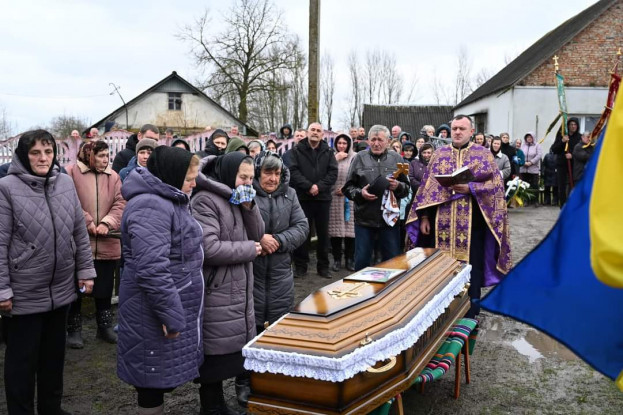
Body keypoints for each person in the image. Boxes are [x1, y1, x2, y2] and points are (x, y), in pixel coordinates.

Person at [0, 130, 96, 415]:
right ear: (23, 156)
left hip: (61, 289)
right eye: (35, 152)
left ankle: (51, 409)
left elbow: (78, 230)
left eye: (48, 151)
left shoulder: (64, 183)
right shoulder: (6, 188)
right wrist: (2, 289)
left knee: (53, 360)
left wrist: (86, 270)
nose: (43, 158)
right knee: (22, 364)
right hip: (25, 293)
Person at [117, 147, 204, 415]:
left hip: (160, 301)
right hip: (149, 307)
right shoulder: (150, 205)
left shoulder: (167, 199)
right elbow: (152, 268)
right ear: (172, 174)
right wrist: (171, 315)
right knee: (150, 376)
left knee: (156, 372)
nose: (193, 184)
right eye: (189, 178)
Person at [406, 115, 511, 318]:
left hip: (473, 224)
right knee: (439, 268)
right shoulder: (439, 154)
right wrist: (425, 217)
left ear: (471, 131)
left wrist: (471, 188)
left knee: (473, 267)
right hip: (440, 224)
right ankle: (441, 313)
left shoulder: (483, 155)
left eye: (462, 128)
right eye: (454, 128)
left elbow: (496, 186)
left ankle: (470, 312)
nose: (457, 132)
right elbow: (427, 188)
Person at [191, 152, 264, 413]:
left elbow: (258, 233)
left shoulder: (237, 198)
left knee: (231, 350)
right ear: (229, 173)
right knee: (213, 354)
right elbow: (207, 248)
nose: (247, 183)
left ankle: (219, 405)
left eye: (251, 179)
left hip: (237, 286)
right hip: (216, 289)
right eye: (243, 177)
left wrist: (250, 207)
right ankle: (211, 407)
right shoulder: (205, 200)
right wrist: (248, 249)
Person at [65, 140, 126, 348]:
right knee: (76, 289)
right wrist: (88, 222)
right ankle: (74, 329)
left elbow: (121, 202)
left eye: (107, 155)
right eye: (101, 156)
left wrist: (107, 223)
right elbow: (69, 202)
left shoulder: (113, 176)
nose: (105, 160)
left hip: (107, 241)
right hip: (79, 242)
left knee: (105, 287)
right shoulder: (71, 173)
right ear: (89, 156)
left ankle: (104, 327)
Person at [252, 151, 308, 332]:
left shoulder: (290, 194)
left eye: (277, 174)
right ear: (257, 172)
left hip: (281, 275)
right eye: (268, 173)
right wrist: (259, 239)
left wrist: (277, 241)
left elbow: (301, 227)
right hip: (252, 274)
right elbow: (235, 227)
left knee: (278, 327)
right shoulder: (246, 194)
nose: (273, 179)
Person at [343, 125, 410, 271]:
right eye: (373, 139)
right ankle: (362, 287)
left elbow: (407, 189)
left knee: (392, 262)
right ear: (368, 140)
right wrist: (360, 193)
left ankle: (391, 287)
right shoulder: (359, 158)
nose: (376, 143)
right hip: (364, 220)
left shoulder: (398, 158)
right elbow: (347, 188)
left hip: (390, 222)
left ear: (388, 141)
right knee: (362, 262)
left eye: (380, 140)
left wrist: (398, 186)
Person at [289, 122, 338, 278]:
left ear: (322, 134)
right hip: (303, 198)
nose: (315, 132)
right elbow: (293, 172)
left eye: (318, 130)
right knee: (303, 233)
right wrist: (309, 186)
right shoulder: (296, 150)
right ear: (307, 132)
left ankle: (323, 267)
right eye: (313, 130)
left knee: (323, 234)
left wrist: (319, 187)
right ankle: (300, 266)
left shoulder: (328, 151)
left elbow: (333, 173)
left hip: (323, 199)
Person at [329, 134, 356, 272]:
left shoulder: (355, 157)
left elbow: (358, 176)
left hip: (350, 198)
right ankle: (337, 260)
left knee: (351, 231)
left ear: (349, 144)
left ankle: (350, 259)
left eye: (344, 143)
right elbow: (325, 174)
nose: (341, 146)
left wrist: (346, 189)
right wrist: (335, 159)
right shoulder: (331, 157)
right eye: (339, 143)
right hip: (334, 198)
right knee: (336, 231)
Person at [408, 142, 434, 247]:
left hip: (431, 201)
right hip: (416, 199)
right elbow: (410, 177)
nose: (426, 155)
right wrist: (423, 187)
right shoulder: (414, 163)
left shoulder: (436, 164)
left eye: (429, 153)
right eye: (424, 152)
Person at [551, 117, 581, 206]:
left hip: (574, 166)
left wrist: (572, 155)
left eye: (575, 124)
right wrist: (562, 141)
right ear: (568, 126)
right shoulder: (562, 136)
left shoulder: (579, 137)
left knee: (573, 185)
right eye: (571, 124)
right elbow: (554, 149)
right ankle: (563, 205)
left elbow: (583, 152)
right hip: (562, 165)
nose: (573, 126)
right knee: (562, 186)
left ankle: (573, 204)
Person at [519, 132, 542, 205]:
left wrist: (531, 162)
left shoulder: (537, 145)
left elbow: (539, 155)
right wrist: (523, 162)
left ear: (533, 138)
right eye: (528, 137)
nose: (529, 138)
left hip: (533, 169)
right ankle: (526, 200)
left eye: (530, 137)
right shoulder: (522, 145)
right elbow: (519, 154)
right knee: (525, 185)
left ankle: (535, 201)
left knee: (534, 185)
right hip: (523, 169)